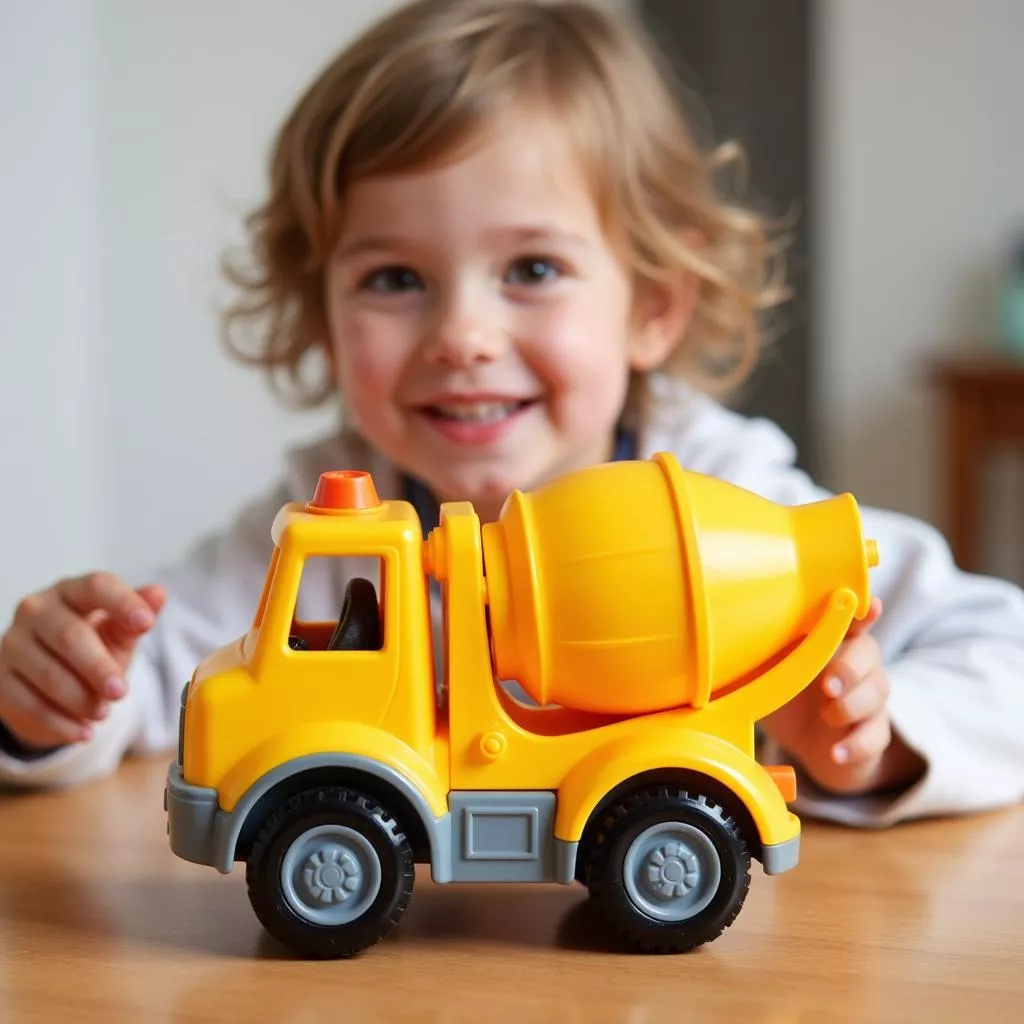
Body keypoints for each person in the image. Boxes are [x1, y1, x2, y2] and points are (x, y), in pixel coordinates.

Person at [1, 0, 1022, 830]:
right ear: (320, 315)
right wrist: (57, 699)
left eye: (532, 268)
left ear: (653, 306)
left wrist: (876, 736)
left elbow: (1003, 653)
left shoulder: (725, 503)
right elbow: (166, 684)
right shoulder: (330, 534)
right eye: (394, 277)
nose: (463, 334)